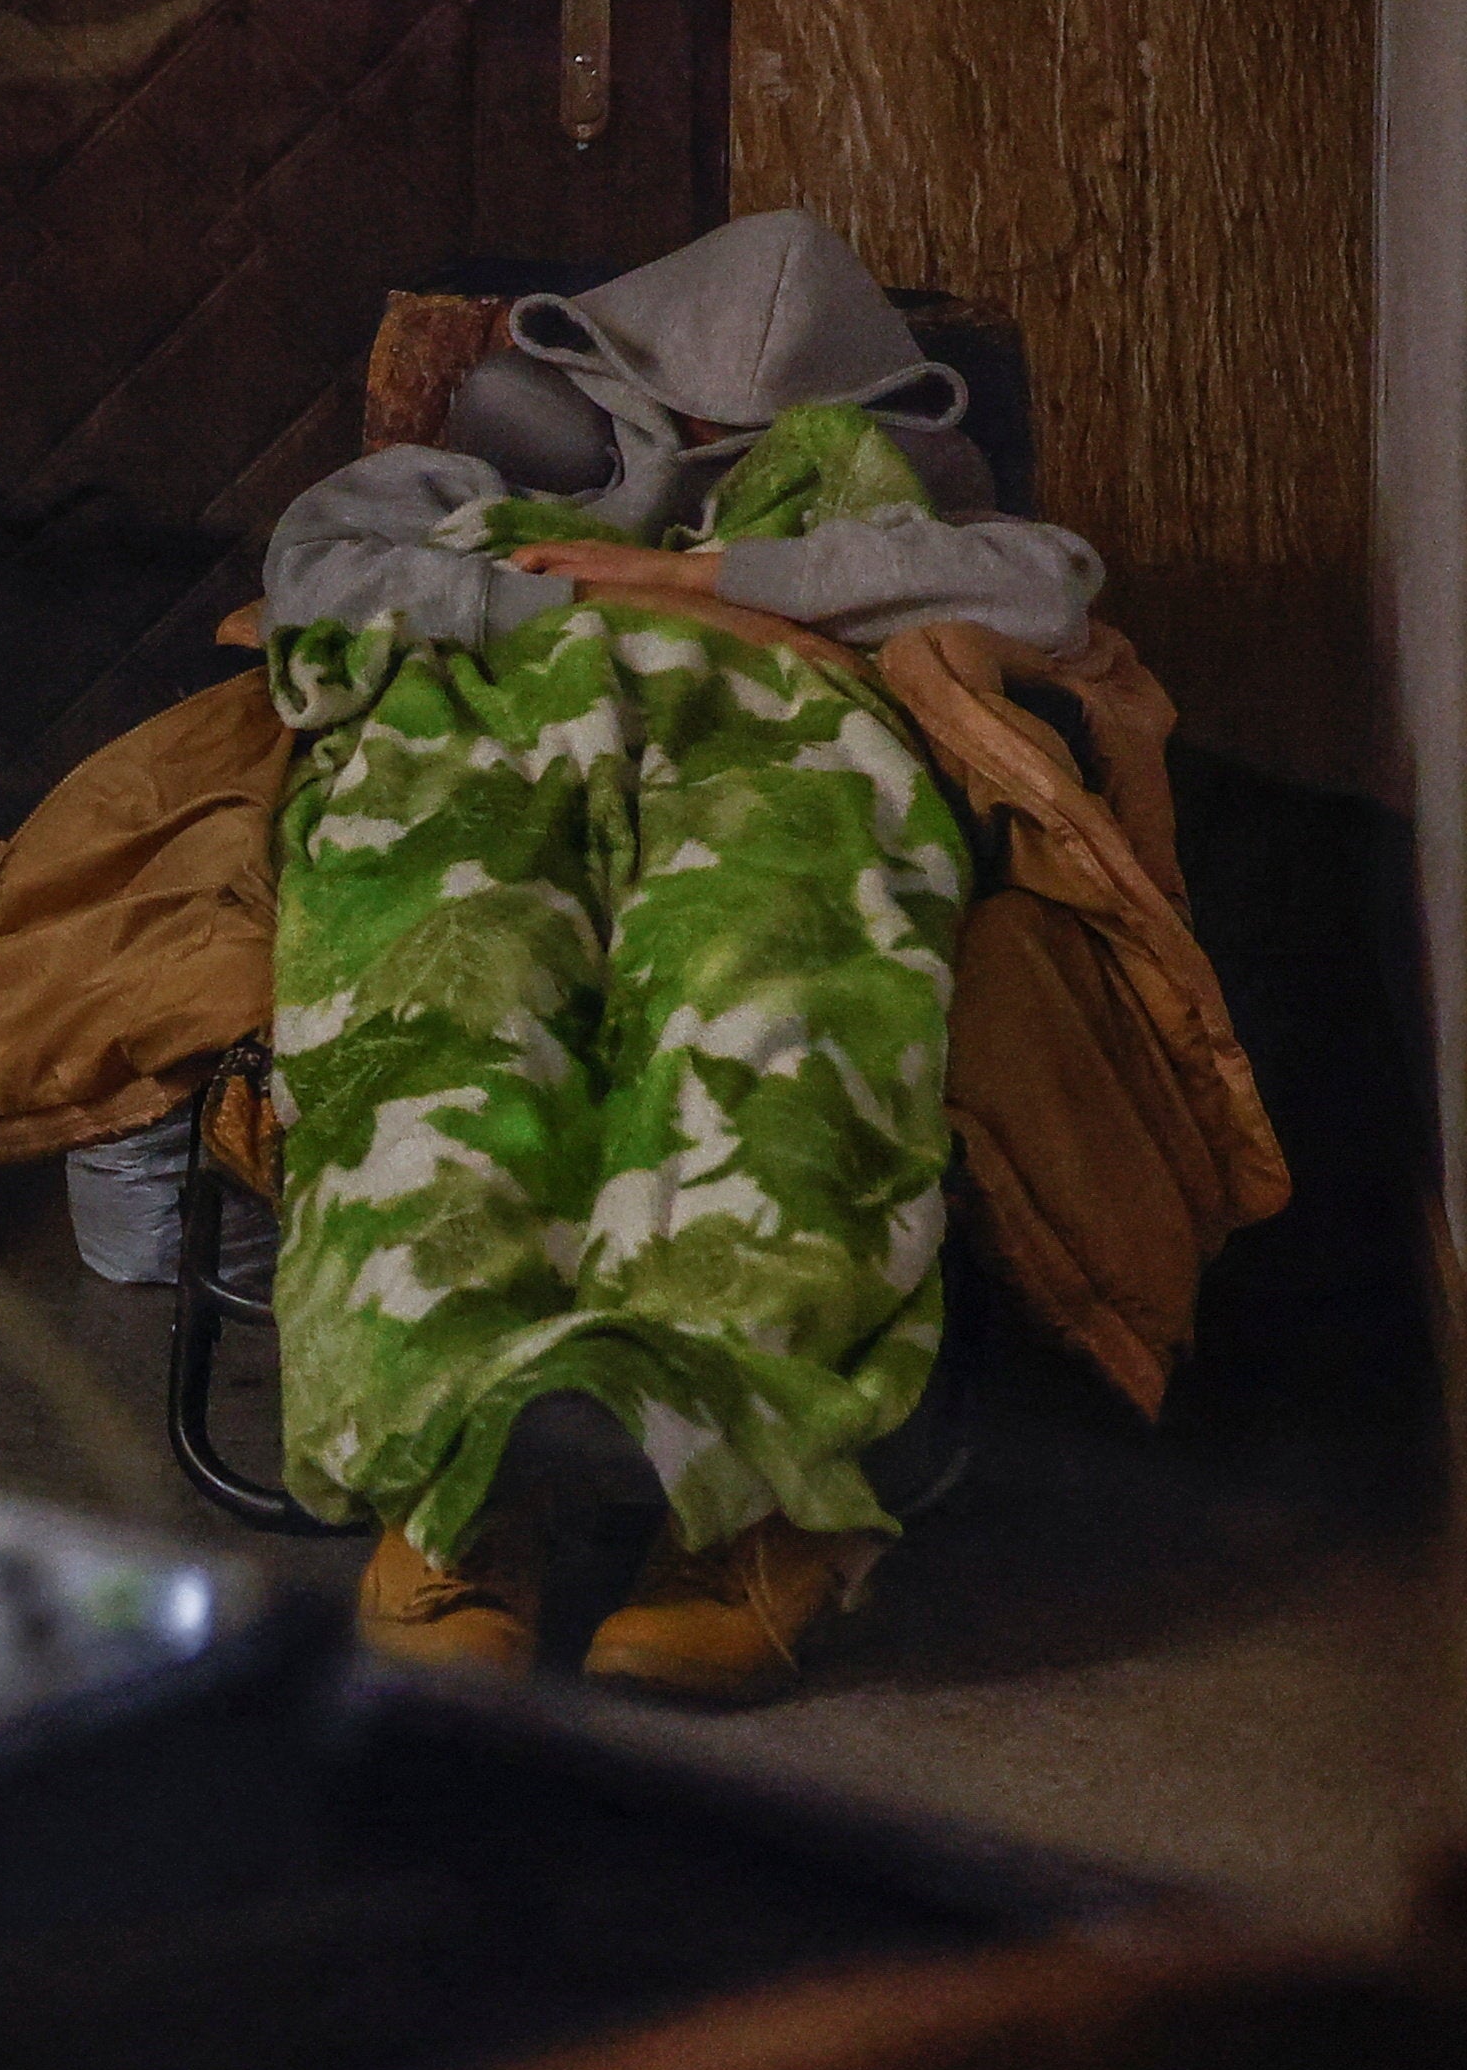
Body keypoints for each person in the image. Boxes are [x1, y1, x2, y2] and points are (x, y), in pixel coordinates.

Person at [255, 211, 1100, 1700]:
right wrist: (554, 593)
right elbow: (310, 574)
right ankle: (456, 1493)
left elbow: (1048, 594)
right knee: (447, 995)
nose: (712, 432)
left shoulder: (889, 510)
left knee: (770, 1007)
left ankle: (762, 1508)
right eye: (683, 405)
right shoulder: (473, 478)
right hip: (494, 749)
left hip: (775, 773)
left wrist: (715, 587)